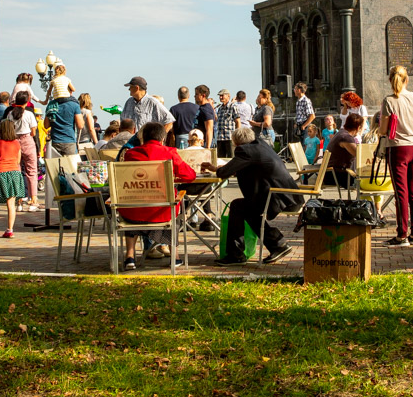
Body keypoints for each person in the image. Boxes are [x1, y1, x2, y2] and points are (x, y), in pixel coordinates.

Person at [206, 126, 301, 266]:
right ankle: (277, 245)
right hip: (289, 196)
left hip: (278, 198)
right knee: (246, 209)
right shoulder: (261, 145)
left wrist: (215, 168)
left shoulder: (244, 151)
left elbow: (224, 172)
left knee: (238, 206)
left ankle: (237, 254)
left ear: (236, 143)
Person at [118, 122, 196, 269]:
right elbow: (190, 175)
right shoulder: (169, 152)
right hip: (162, 211)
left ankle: (129, 256)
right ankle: (175, 256)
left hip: (133, 211)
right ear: (163, 139)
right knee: (175, 211)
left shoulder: (131, 154)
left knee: (133, 205)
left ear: (143, 138)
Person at [380, 65, 413, 247]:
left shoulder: (389, 100)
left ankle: (402, 235)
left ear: (390, 80)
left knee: (401, 192)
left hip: (398, 147)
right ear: (407, 79)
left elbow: (384, 129)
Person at [120, 76, 174, 148]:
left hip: (148, 146)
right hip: (130, 145)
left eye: (130, 87)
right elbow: (122, 121)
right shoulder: (129, 102)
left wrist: (159, 139)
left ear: (137, 88)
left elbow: (169, 121)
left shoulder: (153, 102)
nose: (129, 89)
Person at [8, 91, 40, 210]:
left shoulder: (10, 114)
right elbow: (33, 131)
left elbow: (9, 129)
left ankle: (19, 201)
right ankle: (33, 200)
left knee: (17, 172)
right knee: (32, 171)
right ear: (26, 102)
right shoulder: (29, 114)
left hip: (15, 142)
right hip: (27, 141)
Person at [324, 112, 365, 188]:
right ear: (358, 127)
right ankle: (364, 199)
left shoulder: (341, 133)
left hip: (332, 173)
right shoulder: (346, 137)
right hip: (337, 175)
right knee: (367, 180)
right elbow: (360, 155)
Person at [43, 92, 85, 162]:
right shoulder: (74, 105)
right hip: (69, 142)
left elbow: (46, 125)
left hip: (55, 141)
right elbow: (80, 125)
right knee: (72, 168)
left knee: (55, 169)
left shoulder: (51, 104)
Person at [213, 89, 239, 159]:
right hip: (220, 138)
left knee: (231, 158)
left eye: (222, 95)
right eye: (220, 96)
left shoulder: (233, 107)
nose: (220, 97)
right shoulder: (220, 108)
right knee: (221, 159)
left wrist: (237, 136)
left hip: (229, 138)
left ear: (228, 96)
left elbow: (238, 121)